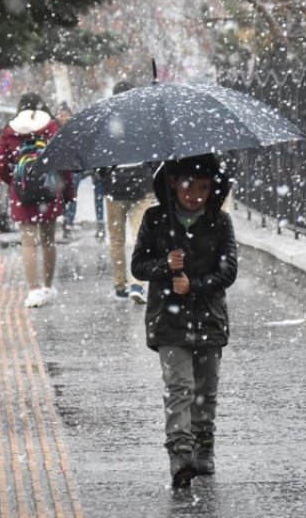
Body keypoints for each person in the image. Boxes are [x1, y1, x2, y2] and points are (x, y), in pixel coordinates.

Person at [130, 154, 237, 488]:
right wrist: (165, 264)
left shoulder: (220, 222)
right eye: (188, 185)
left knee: (205, 390)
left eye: (203, 187)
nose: (195, 195)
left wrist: (195, 285)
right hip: (168, 321)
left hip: (209, 320)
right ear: (173, 182)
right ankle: (180, 453)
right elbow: (138, 266)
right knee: (179, 387)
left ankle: (204, 445)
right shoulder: (155, 219)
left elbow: (228, 271)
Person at [0, 93, 75, 308]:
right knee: (48, 241)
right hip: (49, 190)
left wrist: (15, 182)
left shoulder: (10, 130)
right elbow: (63, 161)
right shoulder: (52, 127)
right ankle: (47, 286)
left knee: (28, 243)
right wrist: (67, 191)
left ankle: (33, 289)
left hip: (22, 193)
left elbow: (0, 163)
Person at [98, 163, 154, 301]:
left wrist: (106, 174)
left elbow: (98, 165)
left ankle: (120, 285)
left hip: (115, 186)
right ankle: (137, 284)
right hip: (142, 183)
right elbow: (155, 159)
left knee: (116, 239)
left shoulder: (107, 149)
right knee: (140, 236)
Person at [56, 103, 78, 239]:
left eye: (66, 115)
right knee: (63, 196)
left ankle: (69, 222)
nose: (64, 118)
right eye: (61, 115)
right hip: (61, 169)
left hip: (73, 169)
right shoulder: (55, 130)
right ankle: (65, 220)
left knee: (72, 196)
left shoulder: (74, 131)